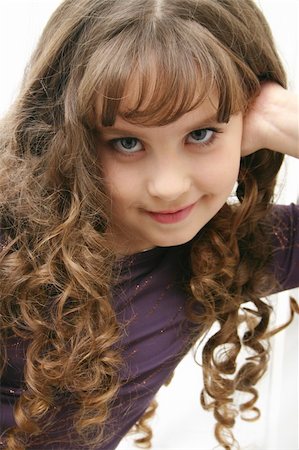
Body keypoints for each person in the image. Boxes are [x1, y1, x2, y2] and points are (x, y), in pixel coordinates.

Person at [0, 0, 298, 449]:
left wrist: (282, 117)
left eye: (200, 134)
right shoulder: (10, 245)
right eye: (127, 142)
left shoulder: (223, 253)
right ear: (65, 135)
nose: (169, 186)